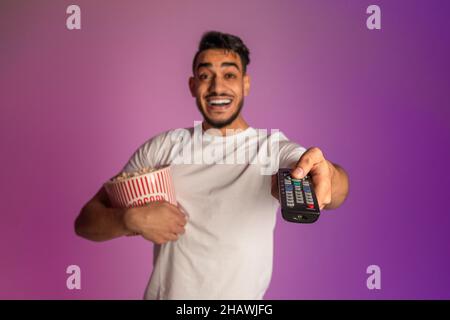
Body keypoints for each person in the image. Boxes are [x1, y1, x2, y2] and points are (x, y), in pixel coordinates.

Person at [75, 31, 350, 299]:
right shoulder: (163, 148)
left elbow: (331, 184)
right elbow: (86, 221)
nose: (217, 87)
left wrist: (329, 177)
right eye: (206, 76)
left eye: (229, 75)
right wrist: (130, 219)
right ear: (193, 86)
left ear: (245, 84)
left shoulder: (271, 149)